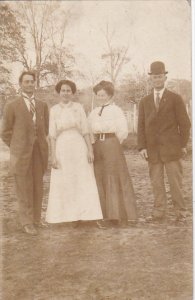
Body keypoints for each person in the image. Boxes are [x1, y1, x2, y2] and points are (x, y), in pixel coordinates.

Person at [137, 61, 191, 224]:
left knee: (176, 182)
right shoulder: (144, 101)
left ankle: (180, 212)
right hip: (152, 150)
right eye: (154, 77)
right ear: (151, 79)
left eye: (160, 76)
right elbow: (140, 126)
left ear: (165, 77)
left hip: (172, 149)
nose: (157, 79)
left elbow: (185, 124)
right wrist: (142, 147)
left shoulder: (175, 98)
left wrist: (182, 145)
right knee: (156, 183)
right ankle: (159, 212)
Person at [45, 80, 103, 226]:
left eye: (68, 90)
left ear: (73, 93)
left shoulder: (79, 107)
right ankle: (68, 216)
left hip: (78, 146)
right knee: (66, 180)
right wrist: (53, 156)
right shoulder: (54, 110)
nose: (66, 93)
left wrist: (90, 150)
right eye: (63, 90)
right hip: (62, 147)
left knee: (82, 178)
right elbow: (52, 135)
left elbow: (85, 130)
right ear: (59, 92)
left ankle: (87, 215)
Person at [1, 71, 49, 235]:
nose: (29, 84)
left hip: (38, 152)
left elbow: (46, 129)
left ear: (35, 83)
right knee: (24, 187)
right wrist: (17, 145)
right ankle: (26, 222)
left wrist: (38, 144)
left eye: (32, 81)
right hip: (20, 154)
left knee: (37, 186)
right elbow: (5, 132)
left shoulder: (42, 105)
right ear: (20, 84)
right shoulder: (12, 105)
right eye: (26, 81)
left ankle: (36, 219)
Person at [88, 80, 137, 227]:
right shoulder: (94, 112)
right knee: (99, 175)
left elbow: (122, 131)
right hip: (97, 145)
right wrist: (94, 142)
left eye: (103, 95)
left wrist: (112, 144)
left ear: (109, 95)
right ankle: (103, 213)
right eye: (98, 95)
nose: (101, 97)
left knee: (112, 175)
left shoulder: (116, 110)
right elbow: (89, 130)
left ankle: (116, 214)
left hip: (111, 144)